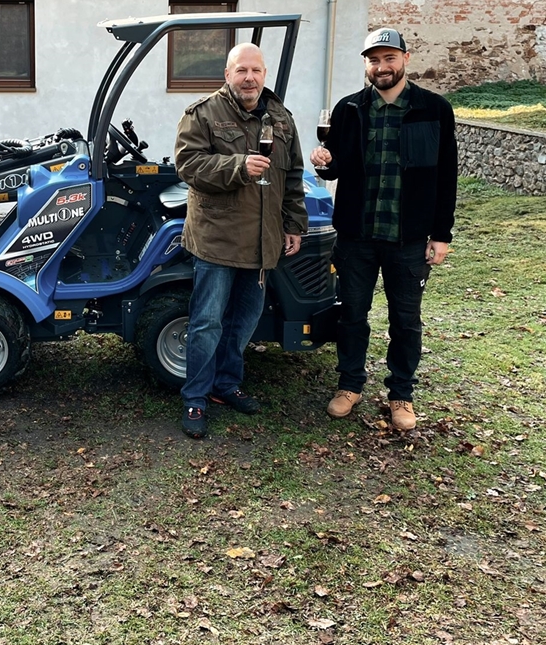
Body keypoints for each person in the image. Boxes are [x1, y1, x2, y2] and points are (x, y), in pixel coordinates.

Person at [309, 28, 457, 432]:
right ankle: (349, 385)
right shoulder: (349, 109)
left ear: (405, 59)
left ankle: (401, 394)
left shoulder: (434, 109)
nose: (382, 67)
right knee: (352, 314)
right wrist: (324, 162)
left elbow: (446, 176)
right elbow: (336, 167)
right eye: (374, 60)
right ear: (367, 65)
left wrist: (441, 234)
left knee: (405, 321)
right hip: (356, 237)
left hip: (407, 239)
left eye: (389, 58)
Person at [174, 43, 308, 439]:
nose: (249, 78)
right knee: (206, 323)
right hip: (217, 239)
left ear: (264, 74)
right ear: (227, 74)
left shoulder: (281, 118)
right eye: (241, 70)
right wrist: (237, 166)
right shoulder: (203, 114)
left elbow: (292, 176)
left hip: (262, 241)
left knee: (244, 321)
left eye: (256, 70)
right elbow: (188, 165)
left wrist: (293, 224)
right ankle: (195, 397)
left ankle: (226, 384)